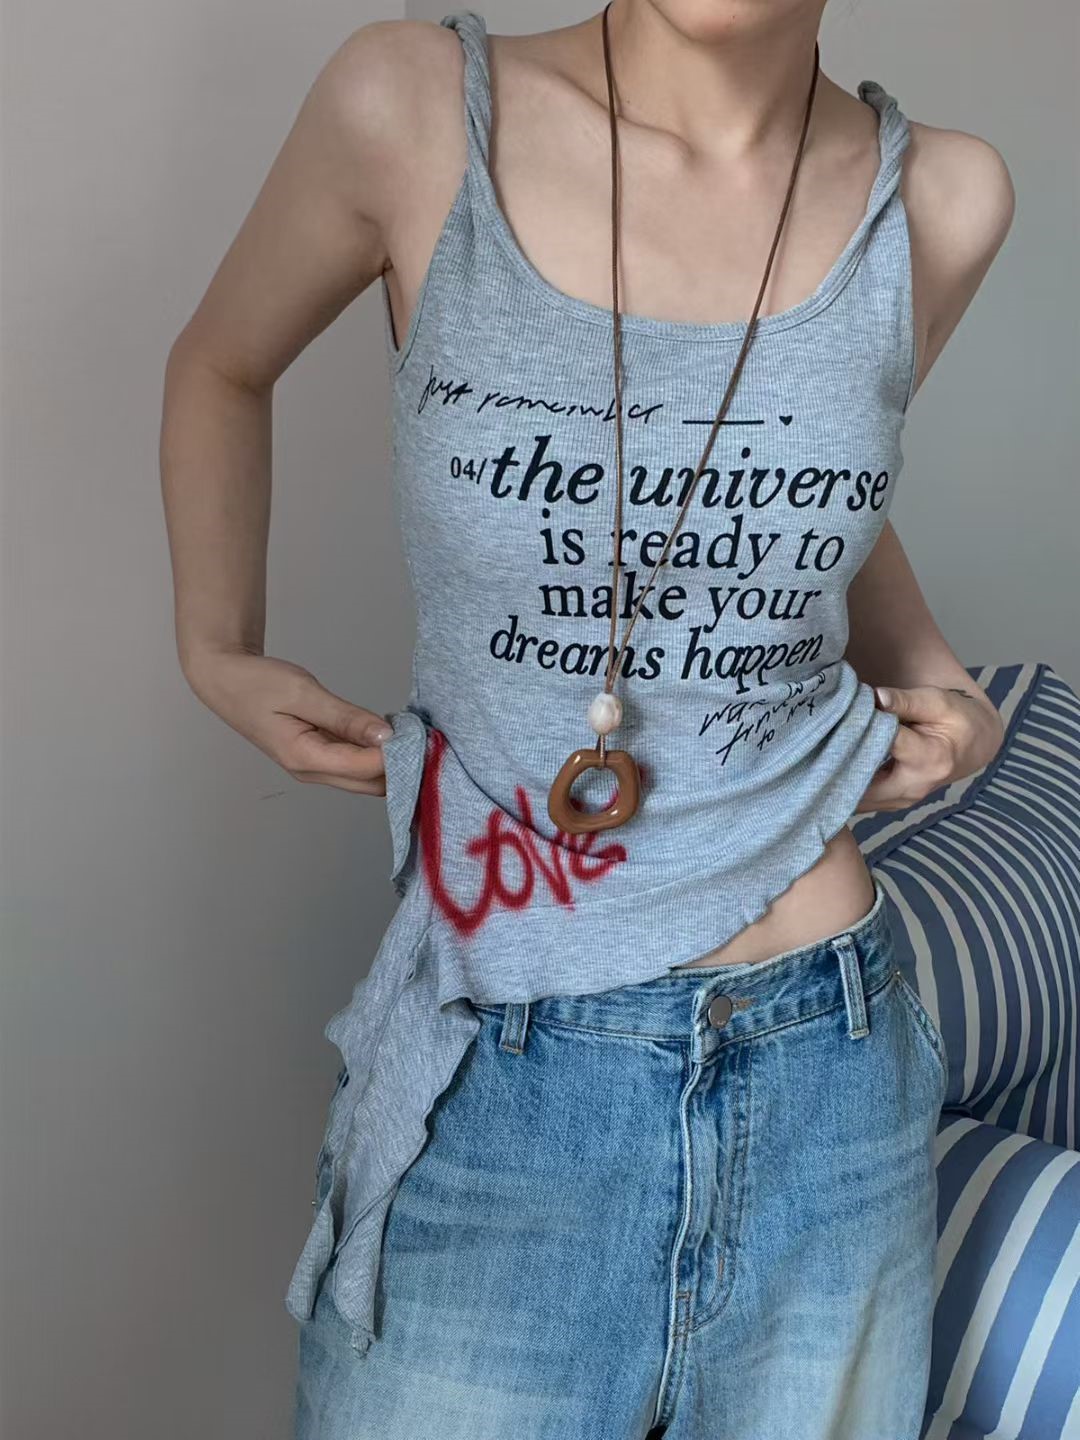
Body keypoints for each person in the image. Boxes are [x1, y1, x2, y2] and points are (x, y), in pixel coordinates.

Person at [160, 4, 1013, 1436]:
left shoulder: (942, 197)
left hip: (830, 1071)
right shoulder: (414, 108)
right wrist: (215, 647)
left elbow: (784, 484)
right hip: (507, 1063)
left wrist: (944, 683)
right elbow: (219, 362)